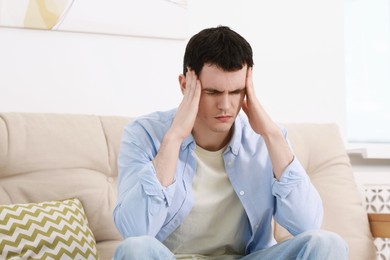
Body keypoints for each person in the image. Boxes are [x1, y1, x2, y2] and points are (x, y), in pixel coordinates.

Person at [113, 26, 348, 259]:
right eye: (213, 92)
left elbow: (308, 226)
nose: (225, 105)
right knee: (134, 250)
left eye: (236, 91)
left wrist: (271, 135)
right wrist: (174, 138)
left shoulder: (266, 139)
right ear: (185, 85)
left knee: (328, 244)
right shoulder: (144, 133)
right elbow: (135, 231)